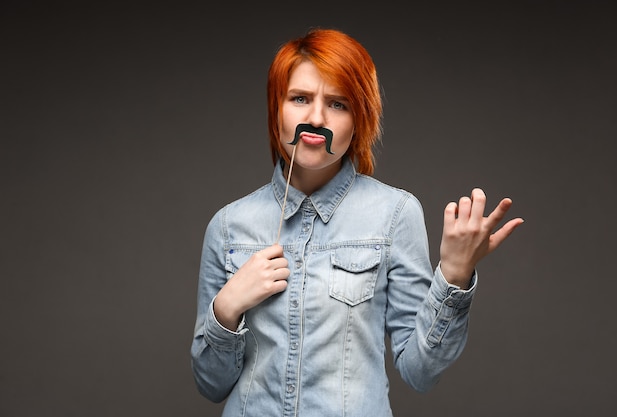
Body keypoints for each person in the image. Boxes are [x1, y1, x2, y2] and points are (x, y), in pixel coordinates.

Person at [191, 27, 523, 417]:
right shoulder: (229, 226)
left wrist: (454, 275)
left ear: (359, 117)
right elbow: (210, 384)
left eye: (338, 104)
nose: (315, 118)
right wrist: (226, 309)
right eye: (299, 98)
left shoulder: (395, 214)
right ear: (275, 107)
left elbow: (420, 372)